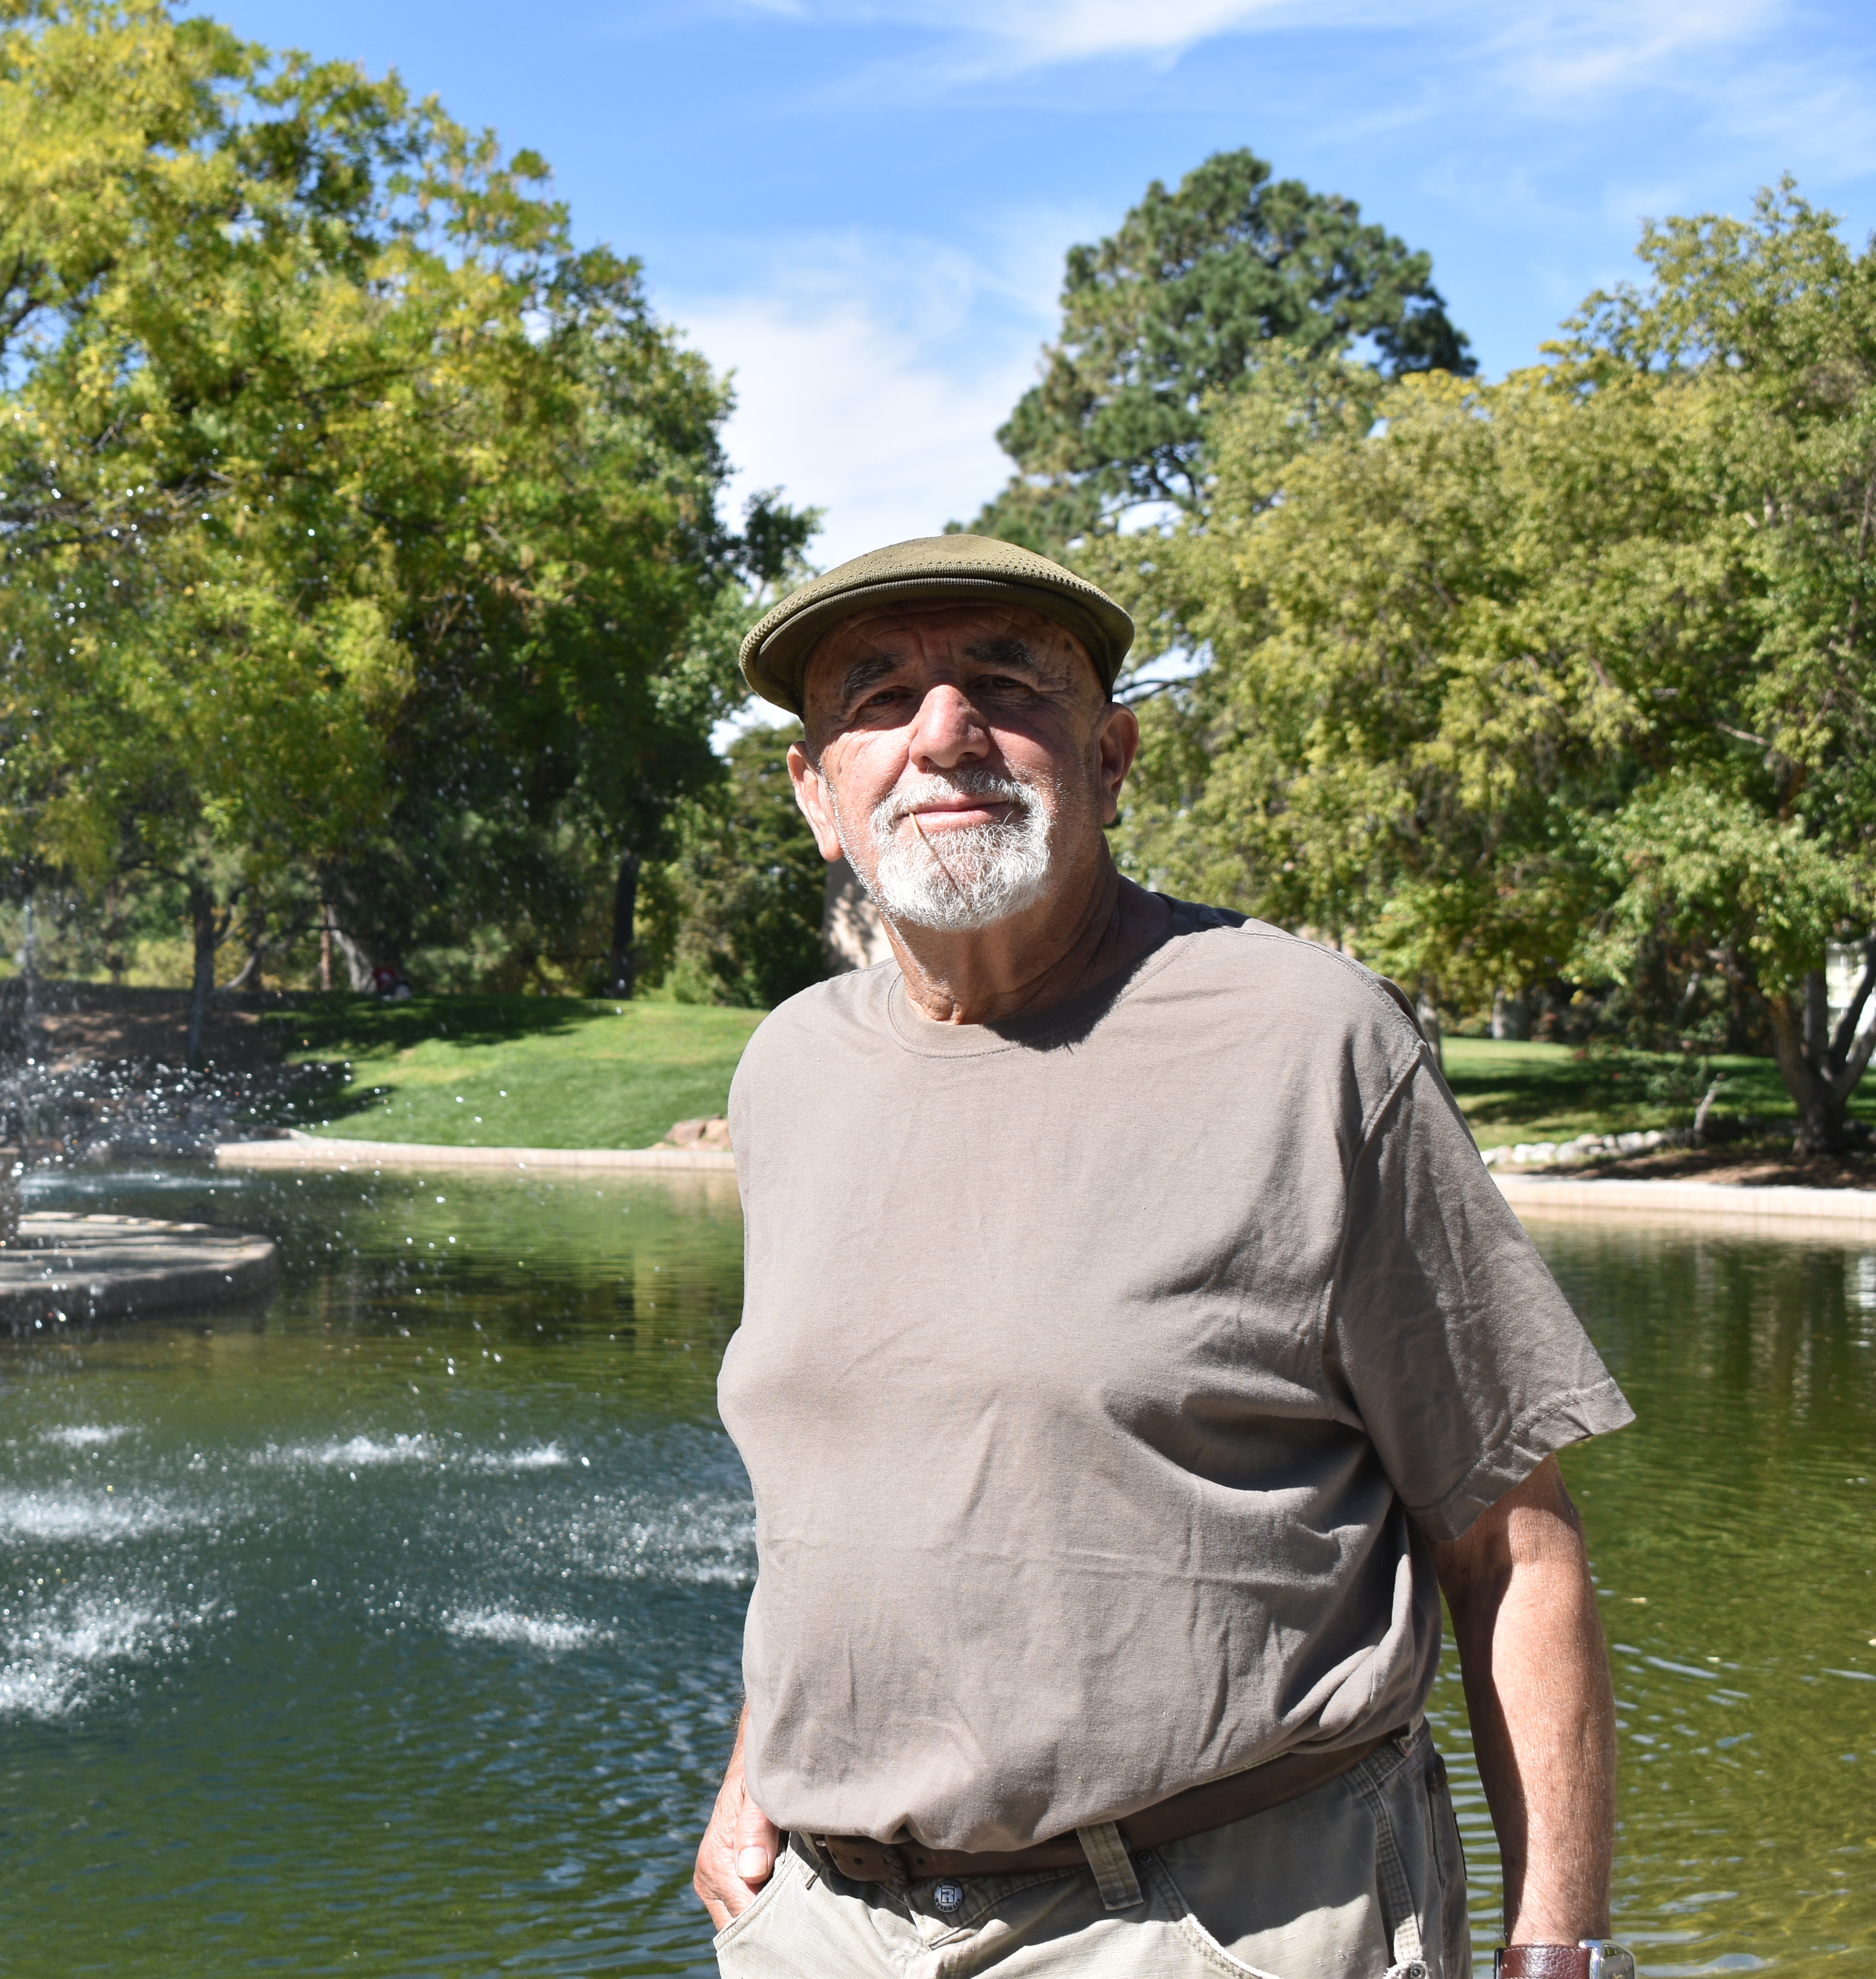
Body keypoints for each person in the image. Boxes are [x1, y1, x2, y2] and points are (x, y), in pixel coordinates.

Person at [693, 534, 1636, 1979]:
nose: (942, 733)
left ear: (1112, 756)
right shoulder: (790, 1071)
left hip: (1212, 1920)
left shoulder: (1309, 1040)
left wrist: (1558, 1949)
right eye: (875, 697)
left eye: (1002, 681)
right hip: (821, 1927)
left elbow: (1510, 1540)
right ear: (818, 792)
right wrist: (764, 1765)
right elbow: (840, 1483)